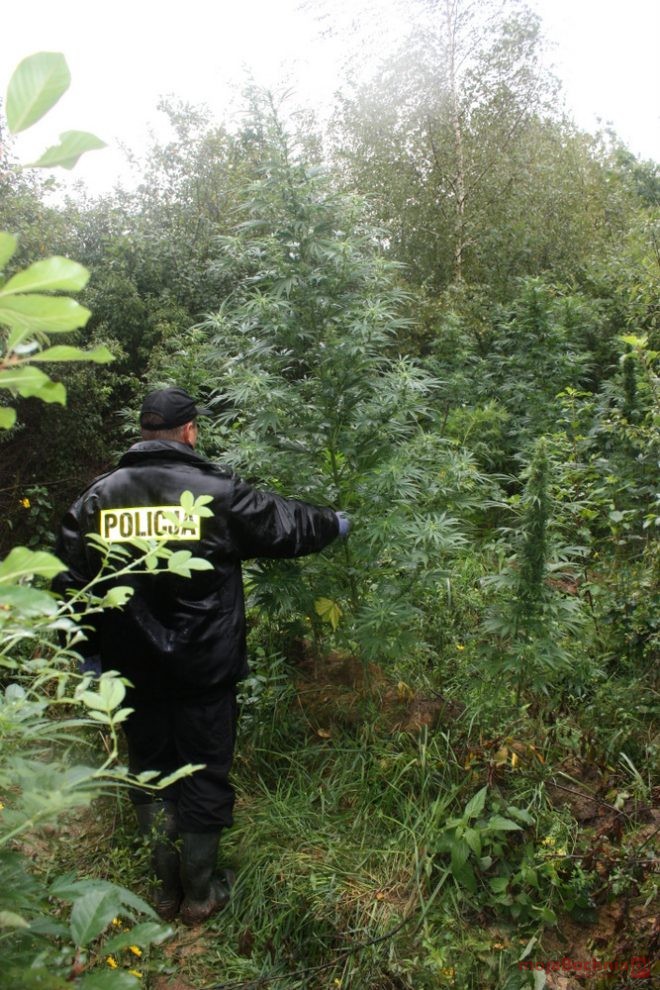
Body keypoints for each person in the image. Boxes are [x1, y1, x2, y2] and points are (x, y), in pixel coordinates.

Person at [54, 386, 348, 925]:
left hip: (132, 673)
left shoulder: (97, 499)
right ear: (190, 431)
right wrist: (336, 523)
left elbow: (71, 584)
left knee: (150, 771)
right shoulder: (216, 492)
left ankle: (166, 892)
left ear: (144, 432)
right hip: (204, 670)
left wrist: (87, 655)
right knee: (205, 776)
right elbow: (285, 524)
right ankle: (200, 894)